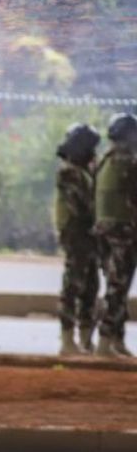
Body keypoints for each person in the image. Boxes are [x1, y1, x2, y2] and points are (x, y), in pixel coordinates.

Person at [53, 123, 102, 355]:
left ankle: (85, 338)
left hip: (88, 235)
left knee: (91, 285)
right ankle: (67, 339)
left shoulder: (83, 171)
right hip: (76, 234)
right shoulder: (69, 172)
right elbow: (83, 205)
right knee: (73, 285)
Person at [92, 112, 137, 358]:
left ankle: (115, 340)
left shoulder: (104, 161)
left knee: (114, 284)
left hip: (104, 232)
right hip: (123, 232)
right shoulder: (128, 162)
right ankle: (105, 341)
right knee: (118, 287)